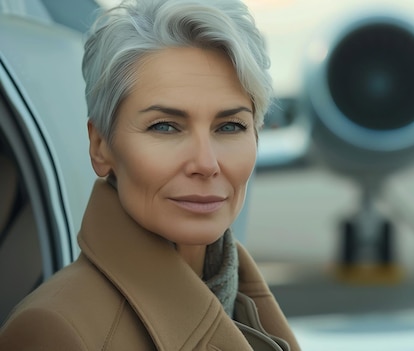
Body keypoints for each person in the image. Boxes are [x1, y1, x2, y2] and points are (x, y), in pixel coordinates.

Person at [0, 0, 300, 349]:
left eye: (230, 126)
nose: (206, 163)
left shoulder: (237, 298)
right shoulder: (54, 331)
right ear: (101, 146)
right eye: (166, 127)